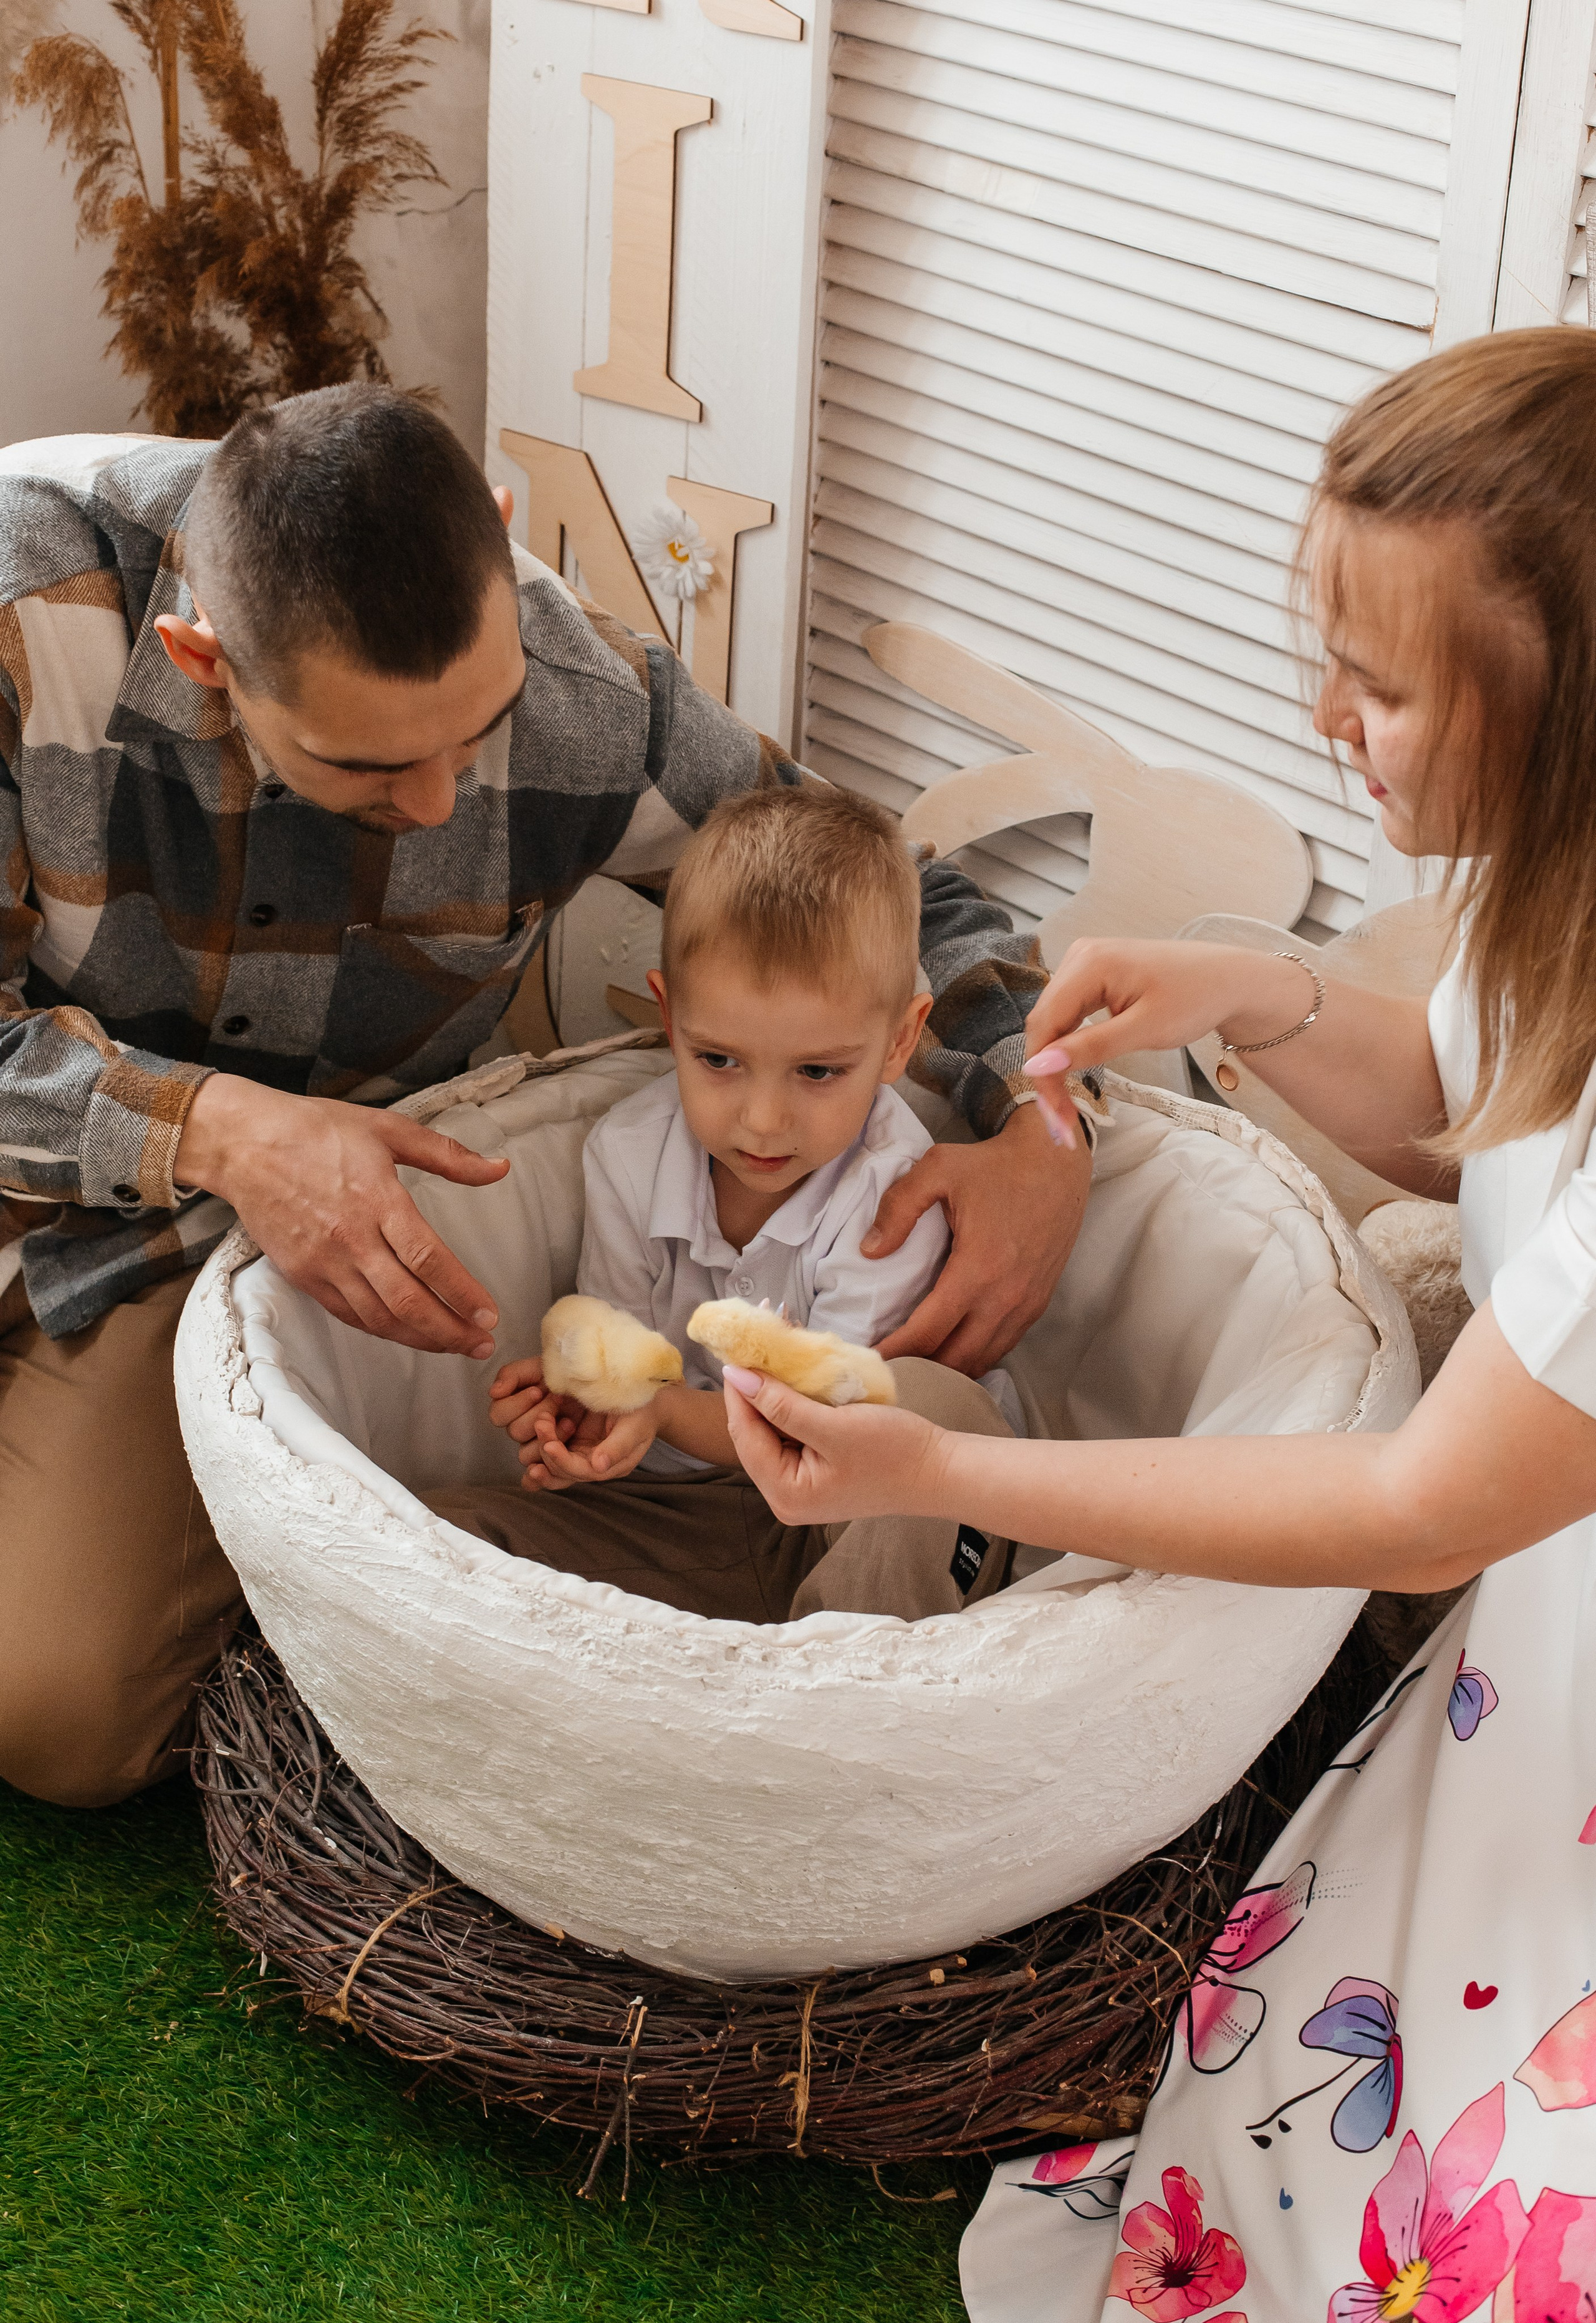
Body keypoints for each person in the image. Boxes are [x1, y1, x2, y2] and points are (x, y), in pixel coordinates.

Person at [721, 327, 1596, 2317]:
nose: (1327, 719)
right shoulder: (1554, 882)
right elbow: (1476, 1119)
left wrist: (933, 1467)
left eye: (1382, 685)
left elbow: (1418, 1509)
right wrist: (1255, 990)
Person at [0, 385, 1095, 1809]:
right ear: (201, 656)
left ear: (504, 541)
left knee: (60, 1721)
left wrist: (1046, 1124)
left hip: (180, 1253)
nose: (441, 802)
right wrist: (221, 1126)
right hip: (67, 1155)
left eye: (478, 730)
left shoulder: (586, 694)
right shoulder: (24, 625)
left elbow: (891, 895)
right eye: (369, 769)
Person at [424, 782, 1041, 1621]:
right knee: (439, 1537)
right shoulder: (627, 1152)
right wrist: (588, 1415)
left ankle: (838, 1675)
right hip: (688, 1519)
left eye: (817, 1072)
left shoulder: (892, 1190)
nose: (762, 1120)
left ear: (900, 1040)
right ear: (671, 1015)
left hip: (853, 1510)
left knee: (933, 1406)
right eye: (718, 1060)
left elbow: (823, 1431)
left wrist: (660, 1408)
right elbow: (628, 1366)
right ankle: (730, 1666)